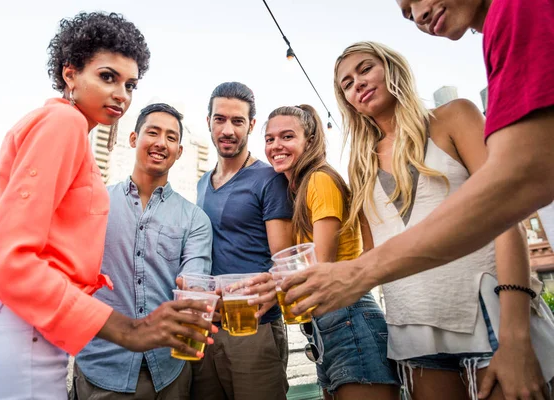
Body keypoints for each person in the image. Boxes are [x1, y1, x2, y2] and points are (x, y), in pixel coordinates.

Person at [0, 13, 214, 399]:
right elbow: (6, 260)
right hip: (16, 336)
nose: (122, 94)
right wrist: (130, 330)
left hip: (36, 337)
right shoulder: (63, 123)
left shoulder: (62, 128)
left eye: (130, 84)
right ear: (70, 73)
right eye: (107, 77)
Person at [283, 0, 554, 364]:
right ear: (346, 101)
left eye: (365, 69)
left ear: (391, 68)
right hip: (410, 325)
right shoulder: (359, 164)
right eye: (347, 84)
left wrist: (515, 335)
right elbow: (368, 254)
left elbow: (507, 217)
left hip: (489, 313)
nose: (358, 83)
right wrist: (285, 288)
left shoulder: (454, 117)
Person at [72, 103, 213, 399]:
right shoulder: (94, 203)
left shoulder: (194, 219)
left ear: (179, 151)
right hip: (102, 366)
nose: (162, 142)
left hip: (170, 370)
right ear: (134, 139)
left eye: (172, 137)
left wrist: (197, 292)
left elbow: (195, 279)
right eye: (153, 132)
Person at [264, 104, 400, 399]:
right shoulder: (297, 190)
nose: (276, 146)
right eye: (269, 138)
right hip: (325, 326)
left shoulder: (319, 180)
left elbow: (321, 266)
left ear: (309, 141)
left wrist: (266, 290)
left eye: (287, 137)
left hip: (349, 317)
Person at [192, 82, 293, 400]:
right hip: (210, 327)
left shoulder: (269, 180)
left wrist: (275, 294)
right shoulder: (202, 184)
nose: (227, 129)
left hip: (254, 328)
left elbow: (284, 258)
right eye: (220, 119)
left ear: (250, 125)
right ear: (208, 120)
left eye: (237, 121)